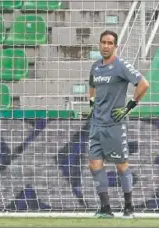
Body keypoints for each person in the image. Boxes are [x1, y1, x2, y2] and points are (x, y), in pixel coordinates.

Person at [88, 30, 149, 218]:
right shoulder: (95, 67)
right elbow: (91, 87)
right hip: (96, 124)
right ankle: (106, 209)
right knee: (94, 164)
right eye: (103, 42)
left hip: (115, 124)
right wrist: (92, 102)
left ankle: (129, 207)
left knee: (121, 165)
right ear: (99, 44)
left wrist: (130, 106)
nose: (106, 46)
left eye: (109, 43)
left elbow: (143, 84)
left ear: (115, 46)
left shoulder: (121, 66)